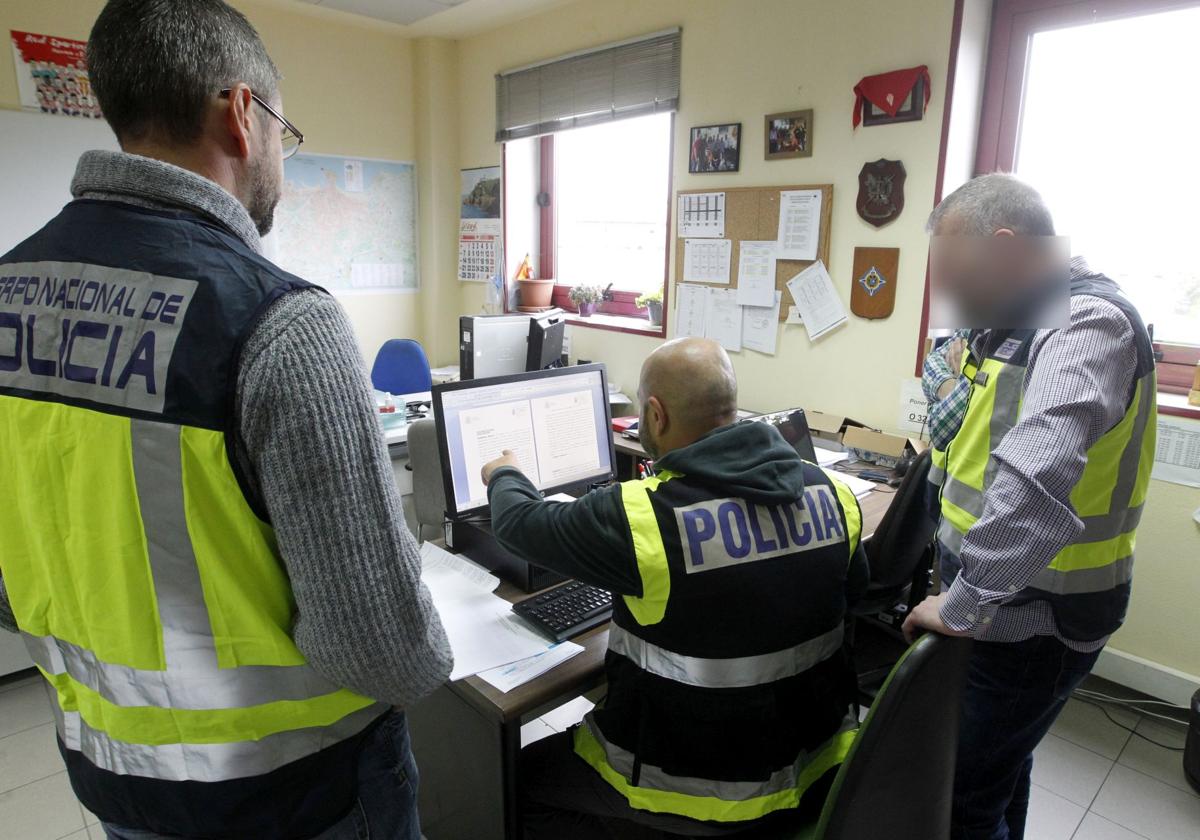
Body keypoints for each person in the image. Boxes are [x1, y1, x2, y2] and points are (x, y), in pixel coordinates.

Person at [0, 1, 452, 838]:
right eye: (285, 125)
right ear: (242, 114)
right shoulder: (278, 320)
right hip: (301, 795)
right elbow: (383, 653)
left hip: (119, 781)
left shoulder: (7, 293)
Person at [480, 338, 868, 839]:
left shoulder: (644, 517)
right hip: (815, 769)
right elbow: (848, 599)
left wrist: (504, 472)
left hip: (694, 792)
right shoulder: (833, 494)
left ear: (655, 416)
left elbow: (519, 524)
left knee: (515, 782)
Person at [903, 174, 1156, 840]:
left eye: (957, 277)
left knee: (960, 798)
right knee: (997, 776)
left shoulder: (1086, 323)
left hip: (1033, 620)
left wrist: (962, 602)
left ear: (1007, 248)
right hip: (1002, 612)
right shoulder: (1012, 322)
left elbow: (1037, 474)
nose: (952, 299)